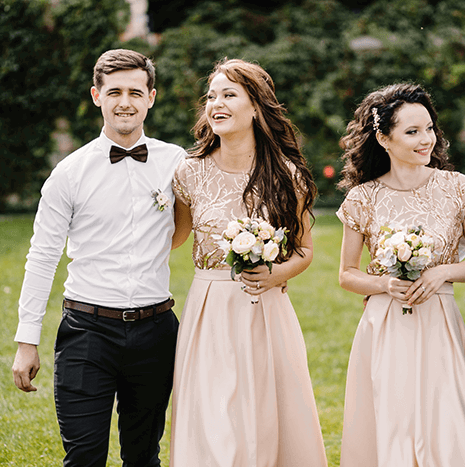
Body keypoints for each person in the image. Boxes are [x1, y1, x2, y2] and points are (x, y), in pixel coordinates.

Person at [11, 49, 185, 466]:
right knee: (85, 455)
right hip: (87, 333)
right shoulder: (69, 173)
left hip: (156, 331)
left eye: (135, 92)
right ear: (96, 95)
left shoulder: (177, 162)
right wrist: (26, 341)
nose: (125, 101)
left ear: (151, 97)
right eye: (114, 92)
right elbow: (42, 257)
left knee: (144, 456)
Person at [168, 58, 327, 467]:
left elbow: (305, 252)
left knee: (266, 416)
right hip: (209, 309)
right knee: (215, 421)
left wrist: (277, 274)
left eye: (228, 95)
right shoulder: (189, 172)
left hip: (266, 310)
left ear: (256, 106)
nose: (215, 103)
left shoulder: (286, 175)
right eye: (211, 96)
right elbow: (174, 237)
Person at [336, 83, 465, 467]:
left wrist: (441, 272)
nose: (427, 139)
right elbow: (346, 274)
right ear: (383, 138)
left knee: (449, 417)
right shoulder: (363, 197)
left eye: (429, 128)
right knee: (393, 416)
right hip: (385, 322)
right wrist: (385, 284)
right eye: (412, 132)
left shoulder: (459, 188)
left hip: (439, 320)